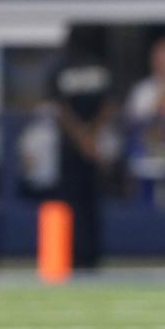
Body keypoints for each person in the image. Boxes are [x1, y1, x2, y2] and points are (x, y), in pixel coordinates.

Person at [49, 27, 114, 272]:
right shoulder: (99, 67)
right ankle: (87, 256)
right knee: (87, 204)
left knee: (76, 202)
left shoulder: (62, 67)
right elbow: (107, 105)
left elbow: (60, 109)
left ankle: (80, 256)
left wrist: (82, 136)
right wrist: (90, 136)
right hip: (90, 146)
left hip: (74, 147)